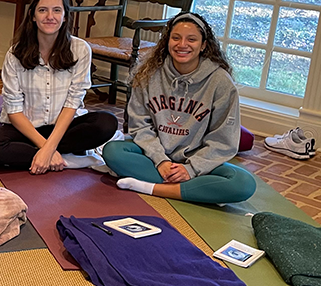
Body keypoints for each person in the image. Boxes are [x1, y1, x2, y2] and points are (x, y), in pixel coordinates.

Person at [102, 12, 256, 204]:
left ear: (203, 46)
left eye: (191, 39)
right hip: (154, 158)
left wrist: (191, 169)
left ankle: (151, 188)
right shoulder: (148, 73)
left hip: (196, 160)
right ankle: (193, 190)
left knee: (243, 183)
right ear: (167, 41)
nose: (182, 44)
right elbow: (139, 125)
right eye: (176, 38)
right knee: (113, 152)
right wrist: (161, 160)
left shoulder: (221, 82)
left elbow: (223, 141)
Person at [0, 0, 118, 173]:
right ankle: (68, 160)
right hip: (29, 129)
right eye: (43, 10)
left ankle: (44, 156)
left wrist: (50, 147)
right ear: (33, 16)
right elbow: (13, 110)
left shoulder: (80, 49)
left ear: (65, 16)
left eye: (57, 10)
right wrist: (46, 148)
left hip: (63, 128)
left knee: (106, 123)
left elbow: (73, 103)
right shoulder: (15, 54)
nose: (50, 16)